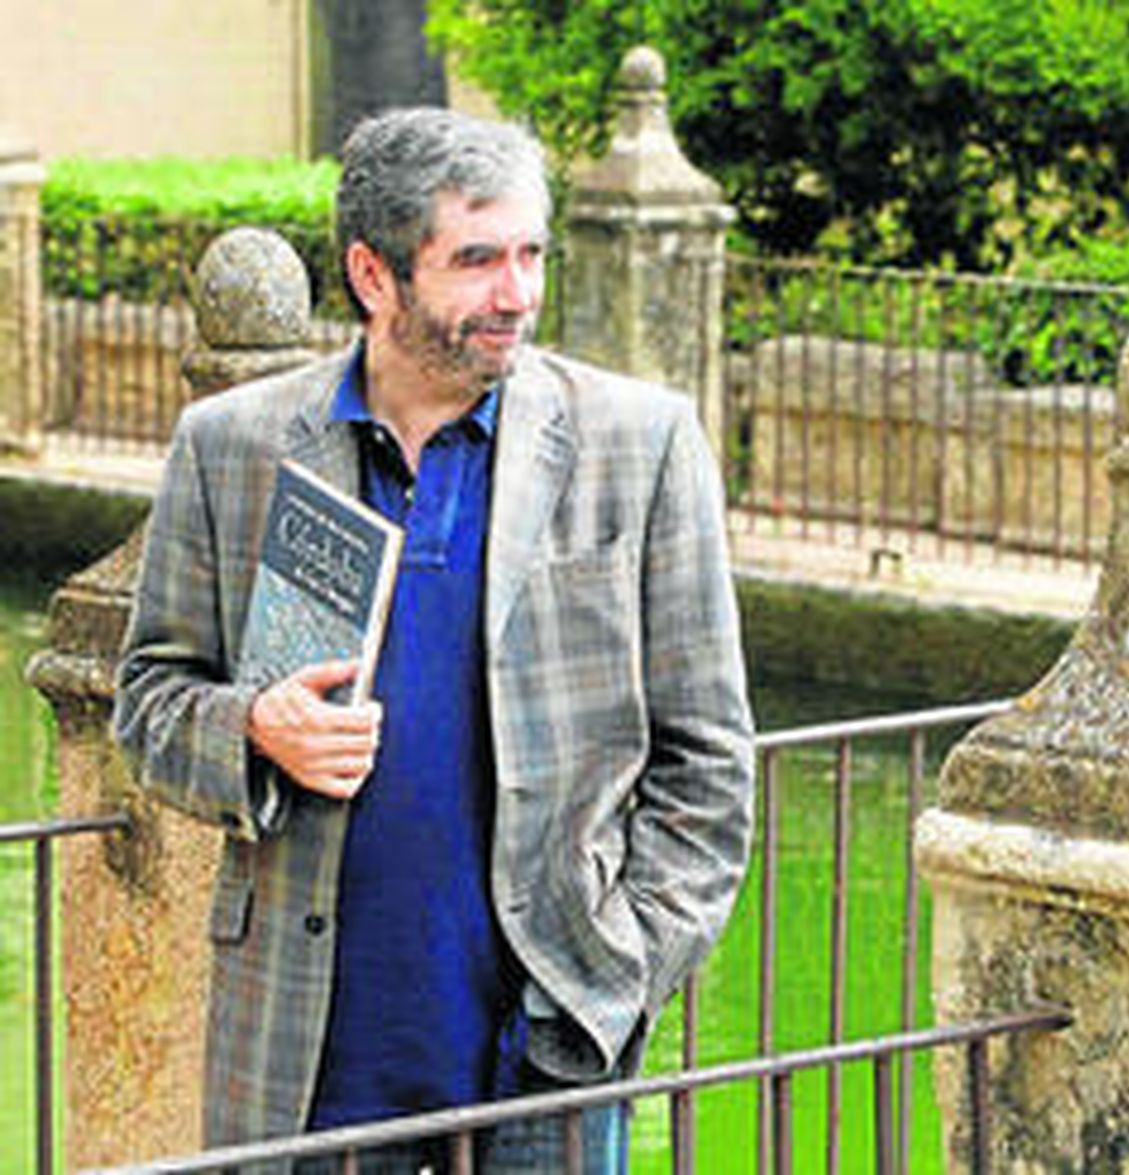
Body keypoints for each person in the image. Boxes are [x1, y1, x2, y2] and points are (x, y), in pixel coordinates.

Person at [114, 107, 755, 1172]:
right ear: (374, 274)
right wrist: (250, 729)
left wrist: (628, 961)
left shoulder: (642, 445)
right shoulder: (229, 447)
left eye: (531, 253)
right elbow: (148, 697)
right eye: (476, 259)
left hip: (546, 1051)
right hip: (298, 1052)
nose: (519, 293)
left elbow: (710, 760)